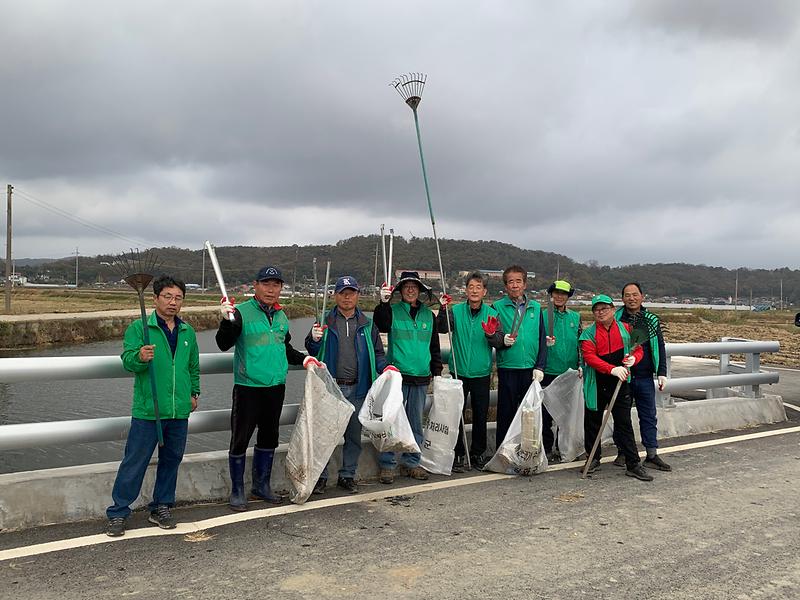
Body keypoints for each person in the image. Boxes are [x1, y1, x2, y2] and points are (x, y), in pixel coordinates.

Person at [105, 275, 200, 537]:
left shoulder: (187, 331)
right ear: (155, 298)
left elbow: (192, 366)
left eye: (178, 297)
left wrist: (194, 393)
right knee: (135, 461)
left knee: (171, 460)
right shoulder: (140, 328)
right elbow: (127, 360)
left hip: (178, 409)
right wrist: (139, 356)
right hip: (149, 410)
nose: (173, 302)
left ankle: (161, 506)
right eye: (167, 296)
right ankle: (118, 511)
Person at [217, 266, 306, 511]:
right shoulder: (241, 313)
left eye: (276, 284)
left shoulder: (281, 316)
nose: (271, 289)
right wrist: (226, 320)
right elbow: (223, 344)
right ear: (255, 285)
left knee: (269, 437)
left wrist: (305, 359)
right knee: (240, 438)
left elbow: (285, 349)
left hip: (275, 387)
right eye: (266, 283)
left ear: (281, 288)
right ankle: (237, 490)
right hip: (248, 387)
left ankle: (261, 485)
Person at [304, 275, 390, 494]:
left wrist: (385, 368)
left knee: (353, 436)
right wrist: (313, 339)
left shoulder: (367, 324)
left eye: (351, 292)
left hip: (359, 388)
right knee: (326, 435)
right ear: (335, 296)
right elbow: (313, 351)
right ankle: (321, 476)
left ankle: (347, 475)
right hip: (330, 389)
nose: (347, 297)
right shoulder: (324, 320)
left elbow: (378, 353)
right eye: (343, 293)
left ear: (358, 295)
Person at [374, 271, 443, 483]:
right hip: (397, 376)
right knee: (391, 421)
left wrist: (437, 371)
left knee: (415, 423)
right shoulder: (392, 311)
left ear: (420, 290)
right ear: (400, 291)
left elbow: (434, 346)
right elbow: (382, 324)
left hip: (422, 376)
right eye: (406, 286)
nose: (410, 290)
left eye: (414, 286)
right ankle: (387, 464)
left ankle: (411, 462)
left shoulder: (428, 315)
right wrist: (383, 302)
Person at [579, 294, 652, 482]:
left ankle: (633, 464)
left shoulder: (626, 328)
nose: (600, 312)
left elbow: (638, 348)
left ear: (613, 309)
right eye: (596, 309)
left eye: (604, 308)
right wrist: (612, 369)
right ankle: (593, 458)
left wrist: (634, 358)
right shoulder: (588, 334)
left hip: (621, 382)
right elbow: (589, 357)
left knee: (624, 422)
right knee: (593, 421)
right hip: (597, 381)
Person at [436, 270, 504, 471]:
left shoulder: (492, 314)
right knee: (456, 415)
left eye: (478, 287)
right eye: (471, 287)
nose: (474, 291)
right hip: (459, 371)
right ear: (465, 290)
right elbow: (441, 328)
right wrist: (442, 309)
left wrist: (491, 335)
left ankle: (477, 453)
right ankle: (457, 453)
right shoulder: (455, 311)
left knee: (480, 416)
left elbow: (499, 341)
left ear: (484, 291)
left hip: (481, 372)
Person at [615, 282, 671, 471]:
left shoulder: (651, 319)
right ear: (622, 298)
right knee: (622, 417)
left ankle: (652, 453)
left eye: (635, 294)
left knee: (648, 415)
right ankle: (623, 452)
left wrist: (662, 372)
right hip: (624, 375)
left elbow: (660, 347)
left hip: (645, 375)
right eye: (627, 295)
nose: (631, 298)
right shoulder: (615, 318)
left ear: (642, 296)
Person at [493, 265, 547, 447]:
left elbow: (541, 340)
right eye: (510, 282)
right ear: (505, 286)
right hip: (508, 367)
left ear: (525, 284)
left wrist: (540, 366)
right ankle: (503, 453)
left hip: (530, 371)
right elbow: (492, 336)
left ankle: (528, 452)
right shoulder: (497, 307)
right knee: (506, 414)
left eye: (518, 281)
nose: (515, 285)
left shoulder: (536, 308)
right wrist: (502, 341)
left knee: (529, 415)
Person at [541, 279, 583, 462]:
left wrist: (581, 364)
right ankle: (546, 447)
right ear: (551, 294)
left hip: (570, 372)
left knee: (566, 414)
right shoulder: (543, 315)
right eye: (556, 293)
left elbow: (582, 343)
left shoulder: (575, 317)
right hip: (548, 370)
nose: (559, 296)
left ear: (568, 297)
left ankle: (563, 447)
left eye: (563, 294)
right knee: (546, 413)